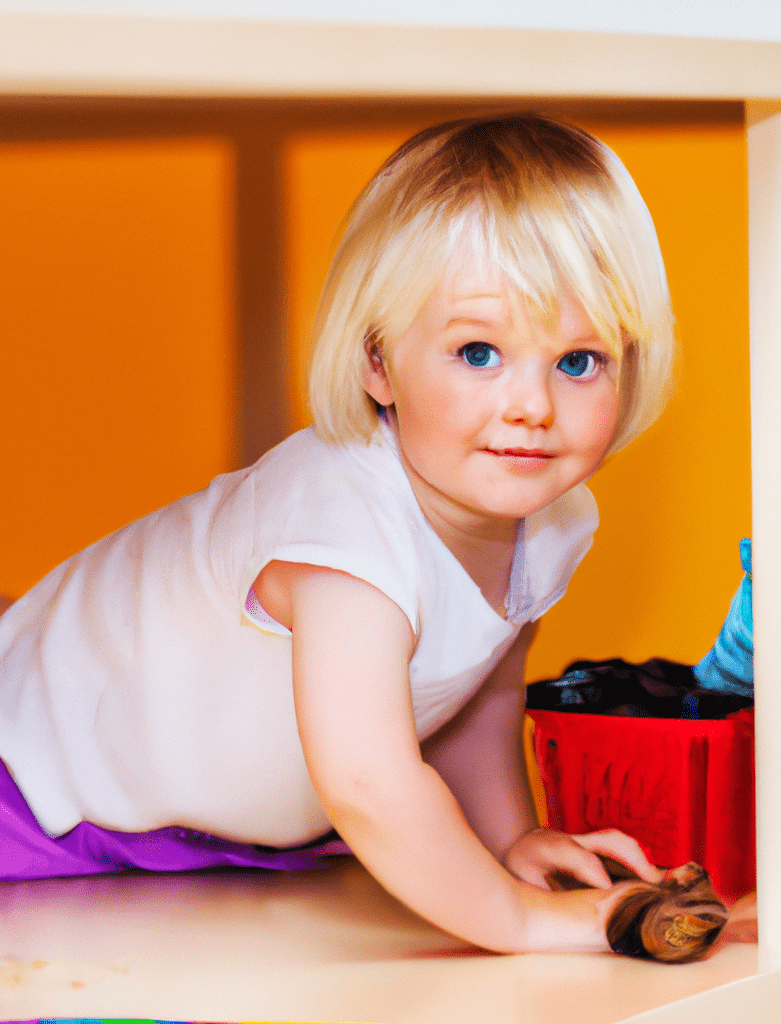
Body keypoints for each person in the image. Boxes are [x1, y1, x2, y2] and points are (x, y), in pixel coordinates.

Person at [0, 113, 678, 954]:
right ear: (376, 362)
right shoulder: (343, 524)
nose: (532, 407)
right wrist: (517, 922)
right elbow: (369, 782)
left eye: (579, 361)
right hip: (23, 767)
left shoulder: (551, 523)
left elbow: (474, 702)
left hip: (181, 831)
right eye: (478, 353)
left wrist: (507, 852)